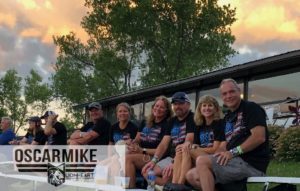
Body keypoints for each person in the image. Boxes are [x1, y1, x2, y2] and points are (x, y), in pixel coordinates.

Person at [186, 78, 270, 191]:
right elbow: (223, 145)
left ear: (239, 91)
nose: (228, 96)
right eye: (224, 93)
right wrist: (218, 155)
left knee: (202, 161)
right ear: (222, 97)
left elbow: (259, 137)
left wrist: (233, 152)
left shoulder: (251, 108)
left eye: (232, 91)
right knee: (191, 175)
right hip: (233, 161)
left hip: (250, 163)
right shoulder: (227, 118)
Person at [142, 92, 195, 186]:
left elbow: (189, 140)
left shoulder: (192, 117)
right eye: (175, 104)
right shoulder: (172, 121)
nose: (177, 106)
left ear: (188, 104)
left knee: (168, 173)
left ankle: (168, 186)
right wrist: (154, 161)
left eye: (181, 103)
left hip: (185, 157)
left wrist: (174, 163)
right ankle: (164, 185)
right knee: (147, 172)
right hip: (171, 158)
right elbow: (163, 144)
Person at [172, 95, 225, 184]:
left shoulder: (219, 123)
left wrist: (195, 148)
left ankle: (180, 184)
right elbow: (196, 145)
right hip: (200, 155)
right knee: (180, 150)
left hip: (213, 157)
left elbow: (215, 149)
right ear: (200, 108)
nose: (207, 108)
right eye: (204, 105)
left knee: (188, 149)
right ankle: (174, 183)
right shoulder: (199, 124)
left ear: (215, 108)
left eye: (210, 105)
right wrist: (192, 147)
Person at [125, 96, 173, 188]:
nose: (158, 109)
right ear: (153, 107)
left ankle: (132, 188)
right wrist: (132, 143)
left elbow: (162, 149)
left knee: (128, 159)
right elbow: (137, 139)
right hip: (143, 154)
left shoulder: (167, 124)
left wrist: (142, 150)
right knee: (124, 154)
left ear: (166, 111)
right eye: (156, 106)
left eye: (162, 107)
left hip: (158, 157)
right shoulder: (145, 121)